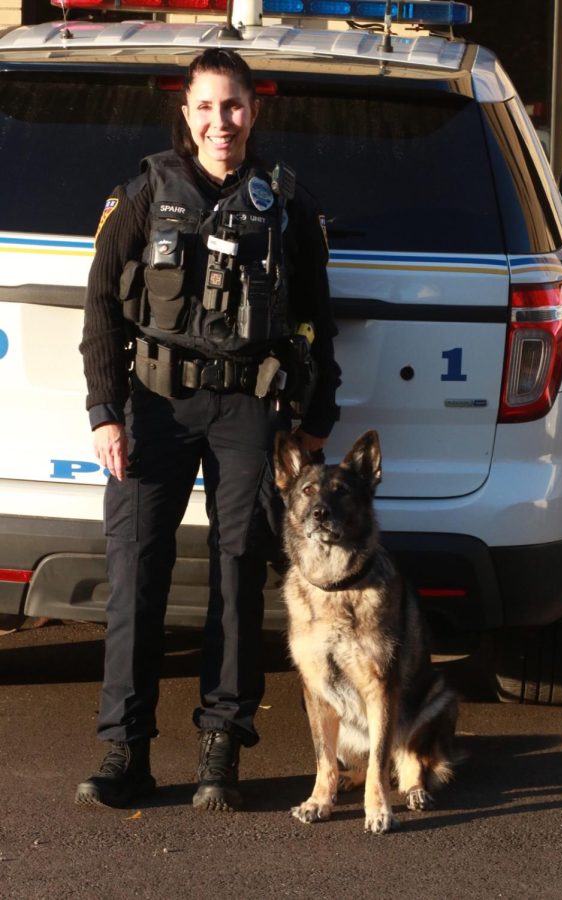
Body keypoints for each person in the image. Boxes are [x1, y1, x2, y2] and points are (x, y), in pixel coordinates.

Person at [76, 48, 340, 812]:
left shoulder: (286, 204)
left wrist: (317, 421)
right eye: (205, 107)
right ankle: (125, 752)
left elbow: (320, 324)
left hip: (249, 413)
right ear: (185, 113)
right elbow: (99, 310)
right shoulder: (140, 194)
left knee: (236, 577)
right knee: (135, 575)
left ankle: (220, 751)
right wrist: (102, 411)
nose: (220, 122)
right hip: (151, 407)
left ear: (254, 112)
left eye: (234, 107)